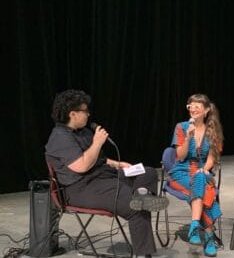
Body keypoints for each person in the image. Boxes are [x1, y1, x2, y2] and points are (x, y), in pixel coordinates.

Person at [45, 89, 169, 258]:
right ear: (72, 114)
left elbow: (100, 159)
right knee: (136, 207)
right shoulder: (59, 137)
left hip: (103, 176)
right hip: (80, 188)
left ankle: (143, 197)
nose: (88, 114)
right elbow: (81, 166)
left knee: (147, 173)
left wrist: (119, 164)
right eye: (85, 110)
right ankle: (143, 250)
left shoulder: (84, 132)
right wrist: (97, 143)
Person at [168, 94, 224, 257]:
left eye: (197, 106)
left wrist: (205, 169)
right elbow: (180, 156)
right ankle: (208, 236)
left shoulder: (213, 130)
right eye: (190, 106)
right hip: (181, 172)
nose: (193, 109)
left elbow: (212, 158)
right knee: (205, 193)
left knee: (200, 178)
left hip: (202, 171)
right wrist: (188, 138)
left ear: (206, 110)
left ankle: (194, 225)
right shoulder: (181, 127)